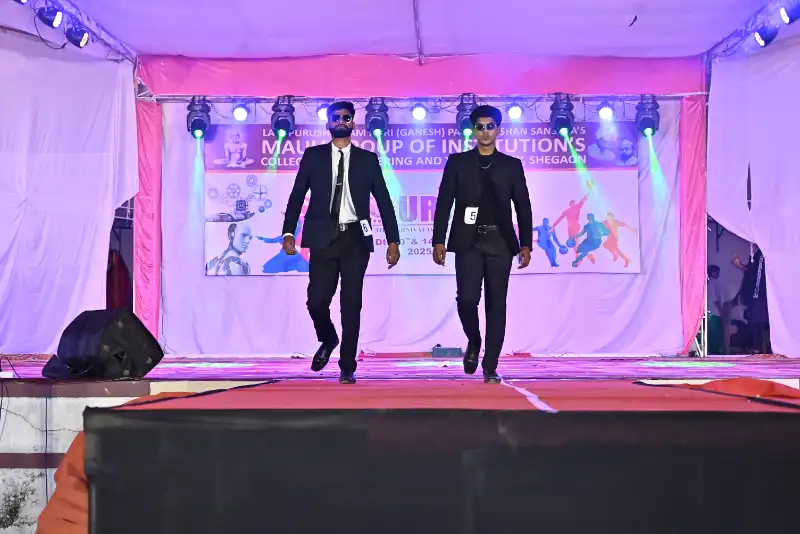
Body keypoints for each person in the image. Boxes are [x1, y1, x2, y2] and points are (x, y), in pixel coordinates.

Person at [281, 101, 400, 384]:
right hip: (322, 238)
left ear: (353, 124)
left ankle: (347, 364)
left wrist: (393, 240)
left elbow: (383, 200)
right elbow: (297, 195)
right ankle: (328, 337)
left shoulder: (367, 160)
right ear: (328, 123)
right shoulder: (313, 156)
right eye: (336, 117)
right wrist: (288, 233)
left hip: (355, 239)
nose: (341, 121)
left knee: (351, 303)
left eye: (346, 117)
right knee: (316, 300)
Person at [432, 105, 533, 383]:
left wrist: (526, 243)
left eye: (490, 127)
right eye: (480, 127)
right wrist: (438, 240)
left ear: (499, 130)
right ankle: (474, 340)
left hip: (500, 241)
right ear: (473, 131)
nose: (485, 132)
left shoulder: (511, 165)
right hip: (468, 241)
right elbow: (444, 203)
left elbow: (523, 206)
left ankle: (490, 366)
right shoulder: (458, 162)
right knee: (466, 299)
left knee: (496, 304)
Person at [706, 265, 725, 354]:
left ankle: (716, 349)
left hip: (715, 311)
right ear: (712, 272)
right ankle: (713, 350)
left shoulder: (715, 283)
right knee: (714, 332)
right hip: (714, 311)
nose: (718, 274)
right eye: (717, 272)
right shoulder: (711, 283)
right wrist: (720, 310)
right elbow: (714, 299)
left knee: (717, 332)